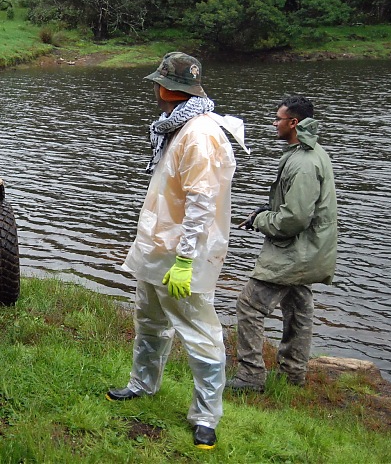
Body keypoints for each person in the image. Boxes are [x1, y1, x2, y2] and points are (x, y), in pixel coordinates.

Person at [107, 52, 244, 450]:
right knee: (149, 320)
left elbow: (202, 201)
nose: (154, 89)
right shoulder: (176, 126)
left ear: (168, 88)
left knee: (201, 333)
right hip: (157, 246)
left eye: (158, 83)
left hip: (183, 254)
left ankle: (206, 417)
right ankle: (142, 385)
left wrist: (185, 260)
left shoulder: (200, 134)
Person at [227, 95, 338, 393]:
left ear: (294, 122)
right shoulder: (312, 153)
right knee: (299, 308)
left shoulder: (302, 163)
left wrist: (260, 221)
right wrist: (265, 212)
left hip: (295, 253)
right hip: (310, 251)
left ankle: (250, 377)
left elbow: (295, 219)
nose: (274, 123)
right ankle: (292, 375)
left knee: (249, 305)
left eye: (278, 119)